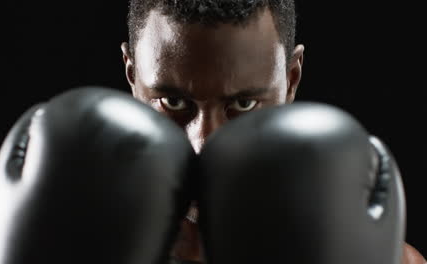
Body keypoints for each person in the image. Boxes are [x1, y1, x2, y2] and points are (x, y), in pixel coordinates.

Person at [119, 0, 426, 263]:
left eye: (243, 103)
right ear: (132, 75)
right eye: (173, 102)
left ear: (291, 79)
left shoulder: (356, 251)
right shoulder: (84, 235)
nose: (203, 145)